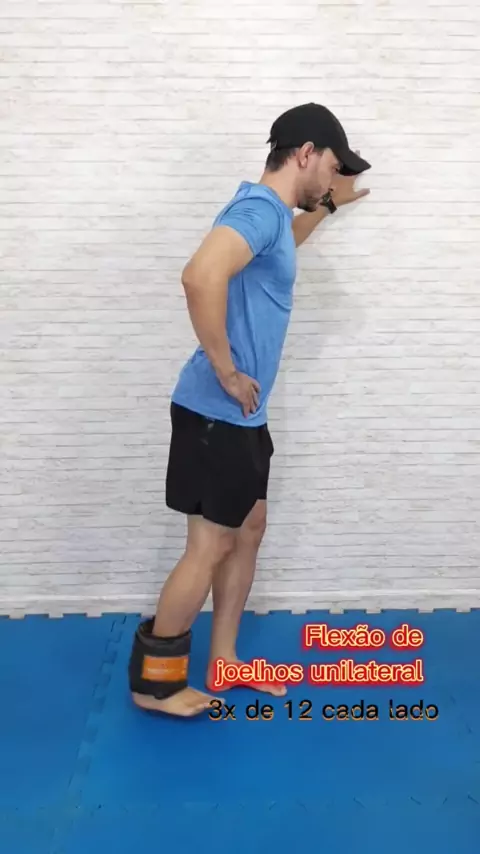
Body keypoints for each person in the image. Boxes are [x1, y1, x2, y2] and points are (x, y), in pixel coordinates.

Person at [128, 102, 371, 717]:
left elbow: (282, 250)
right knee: (209, 545)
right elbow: (199, 276)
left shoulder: (272, 218)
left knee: (249, 528)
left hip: (241, 418)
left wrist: (329, 206)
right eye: (333, 165)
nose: (333, 176)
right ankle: (155, 683)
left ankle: (226, 660)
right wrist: (227, 371)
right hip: (216, 412)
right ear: (306, 152)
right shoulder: (258, 209)